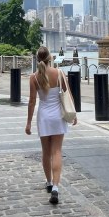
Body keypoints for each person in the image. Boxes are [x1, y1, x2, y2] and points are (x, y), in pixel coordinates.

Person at [25, 46, 77, 205]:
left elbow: (32, 101)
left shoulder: (34, 77)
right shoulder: (59, 73)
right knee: (56, 151)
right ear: (50, 58)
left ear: (37, 59)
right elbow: (68, 94)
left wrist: (28, 123)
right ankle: (55, 186)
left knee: (46, 152)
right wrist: (74, 114)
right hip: (58, 117)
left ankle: (48, 182)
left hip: (44, 117)